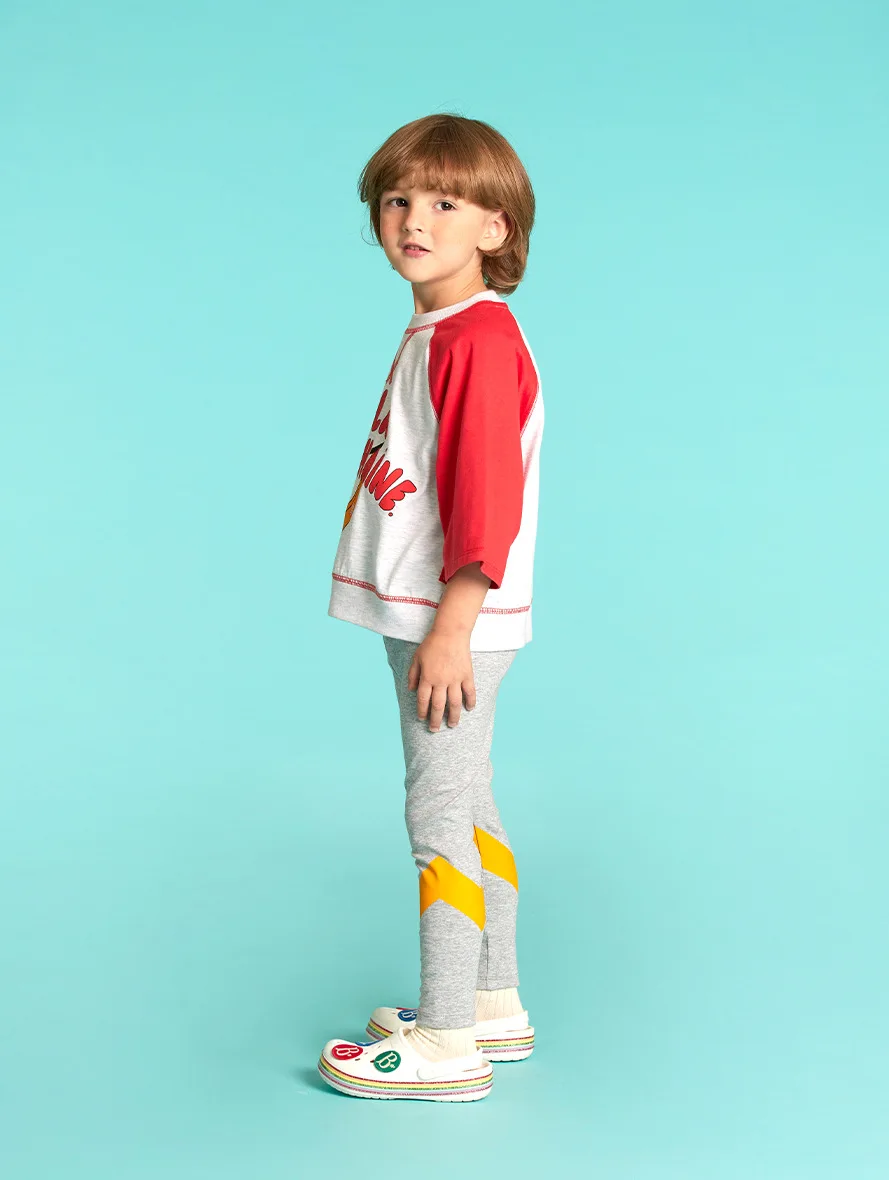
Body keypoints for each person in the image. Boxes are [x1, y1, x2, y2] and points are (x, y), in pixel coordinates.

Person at [316, 112, 544, 1102]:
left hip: (446, 623)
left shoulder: (477, 339)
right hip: (433, 618)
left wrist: (451, 629)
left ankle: (447, 1040)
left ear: (495, 227)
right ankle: (492, 1000)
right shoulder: (441, 329)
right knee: (468, 799)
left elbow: (485, 499)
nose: (413, 219)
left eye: (445, 202)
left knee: (437, 815)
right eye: (398, 199)